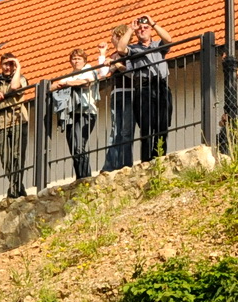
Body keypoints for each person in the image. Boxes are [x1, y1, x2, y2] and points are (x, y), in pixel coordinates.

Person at [118, 14, 175, 163]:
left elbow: (169, 40)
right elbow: (120, 48)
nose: (142, 30)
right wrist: (131, 29)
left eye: (145, 28)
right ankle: (147, 160)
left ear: (150, 30)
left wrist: (154, 23)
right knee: (146, 126)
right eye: (140, 29)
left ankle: (160, 157)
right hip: (144, 87)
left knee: (162, 124)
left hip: (161, 86)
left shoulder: (157, 46)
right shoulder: (133, 48)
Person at [50, 44, 110, 180]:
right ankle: (80, 176)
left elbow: (86, 82)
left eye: (78, 58)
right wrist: (62, 84)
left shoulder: (88, 69)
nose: (76, 61)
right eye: (73, 59)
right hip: (72, 114)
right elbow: (53, 86)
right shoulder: (70, 76)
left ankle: (85, 177)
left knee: (79, 145)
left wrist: (68, 84)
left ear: (84, 60)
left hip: (87, 112)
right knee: (73, 146)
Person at [0, 52, 31, 198]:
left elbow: (14, 87)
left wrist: (18, 66)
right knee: (5, 156)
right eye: (5, 64)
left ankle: (14, 188)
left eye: (11, 64)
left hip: (18, 119)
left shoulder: (21, 78)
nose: (7, 67)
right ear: (0, 65)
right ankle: (18, 187)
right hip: (0, 123)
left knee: (18, 155)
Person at [102, 25, 136, 172]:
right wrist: (103, 55)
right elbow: (103, 73)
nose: (111, 39)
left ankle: (125, 163)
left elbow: (132, 73)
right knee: (116, 130)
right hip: (116, 93)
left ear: (118, 36)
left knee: (126, 130)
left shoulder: (130, 52)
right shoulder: (114, 55)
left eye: (113, 36)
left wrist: (117, 65)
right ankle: (110, 165)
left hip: (130, 92)